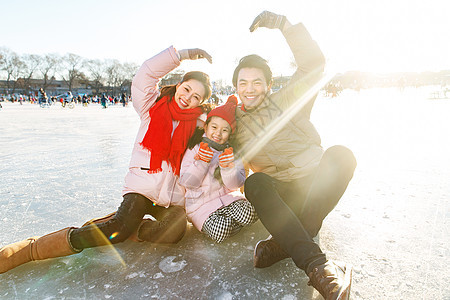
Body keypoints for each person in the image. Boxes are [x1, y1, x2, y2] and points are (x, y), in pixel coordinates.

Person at [0, 46, 213, 274]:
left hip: (172, 197)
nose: (187, 97)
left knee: (176, 230)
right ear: (178, 85)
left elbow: (225, 125)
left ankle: (132, 227)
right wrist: (182, 54)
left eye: (195, 97)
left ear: (200, 103)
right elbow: (146, 74)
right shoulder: (152, 107)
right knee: (118, 230)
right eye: (187, 89)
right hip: (142, 189)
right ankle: (34, 249)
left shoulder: (199, 125)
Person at [232, 11, 357, 300]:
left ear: (267, 84)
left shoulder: (288, 99)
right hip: (283, 195)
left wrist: (283, 25)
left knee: (341, 154)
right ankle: (320, 267)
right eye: (243, 83)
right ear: (236, 87)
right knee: (255, 183)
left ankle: (287, 242)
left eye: (256, 82)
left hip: (314, 184)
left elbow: (313, 64)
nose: (250, 89)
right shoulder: (234, 124)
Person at [179, 96, 257, 243]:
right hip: (201, 206)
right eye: (214, 127)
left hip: (228, 199)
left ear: (230, 133)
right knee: (221, 230)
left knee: (250, 212)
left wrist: (228, 168)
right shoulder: (195, 148)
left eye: (224, 130)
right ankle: (226, 224)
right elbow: (188, 183)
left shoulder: (232, 152)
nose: (218, 133)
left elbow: (236, 184)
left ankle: (230, 222)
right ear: (206, 126)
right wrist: (201, 162)